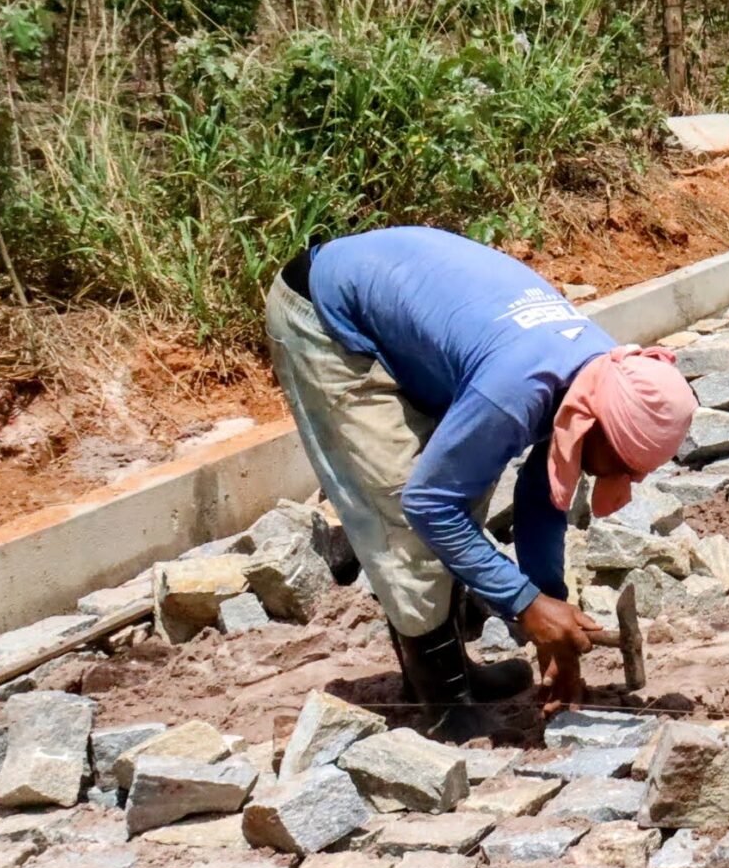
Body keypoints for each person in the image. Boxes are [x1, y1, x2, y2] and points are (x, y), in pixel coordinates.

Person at [264, 227, 696, 734]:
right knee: (403, 510)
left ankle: (448, 672)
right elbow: (429, 505)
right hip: (328, 321)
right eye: (620, 463)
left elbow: (543, 495)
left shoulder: (601, 373)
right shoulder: (518, 389)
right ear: (593, 423)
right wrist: (524, 605)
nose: (620, 477)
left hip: (402, 317)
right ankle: (443, 709)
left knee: (457, 500)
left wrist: (548, 610)